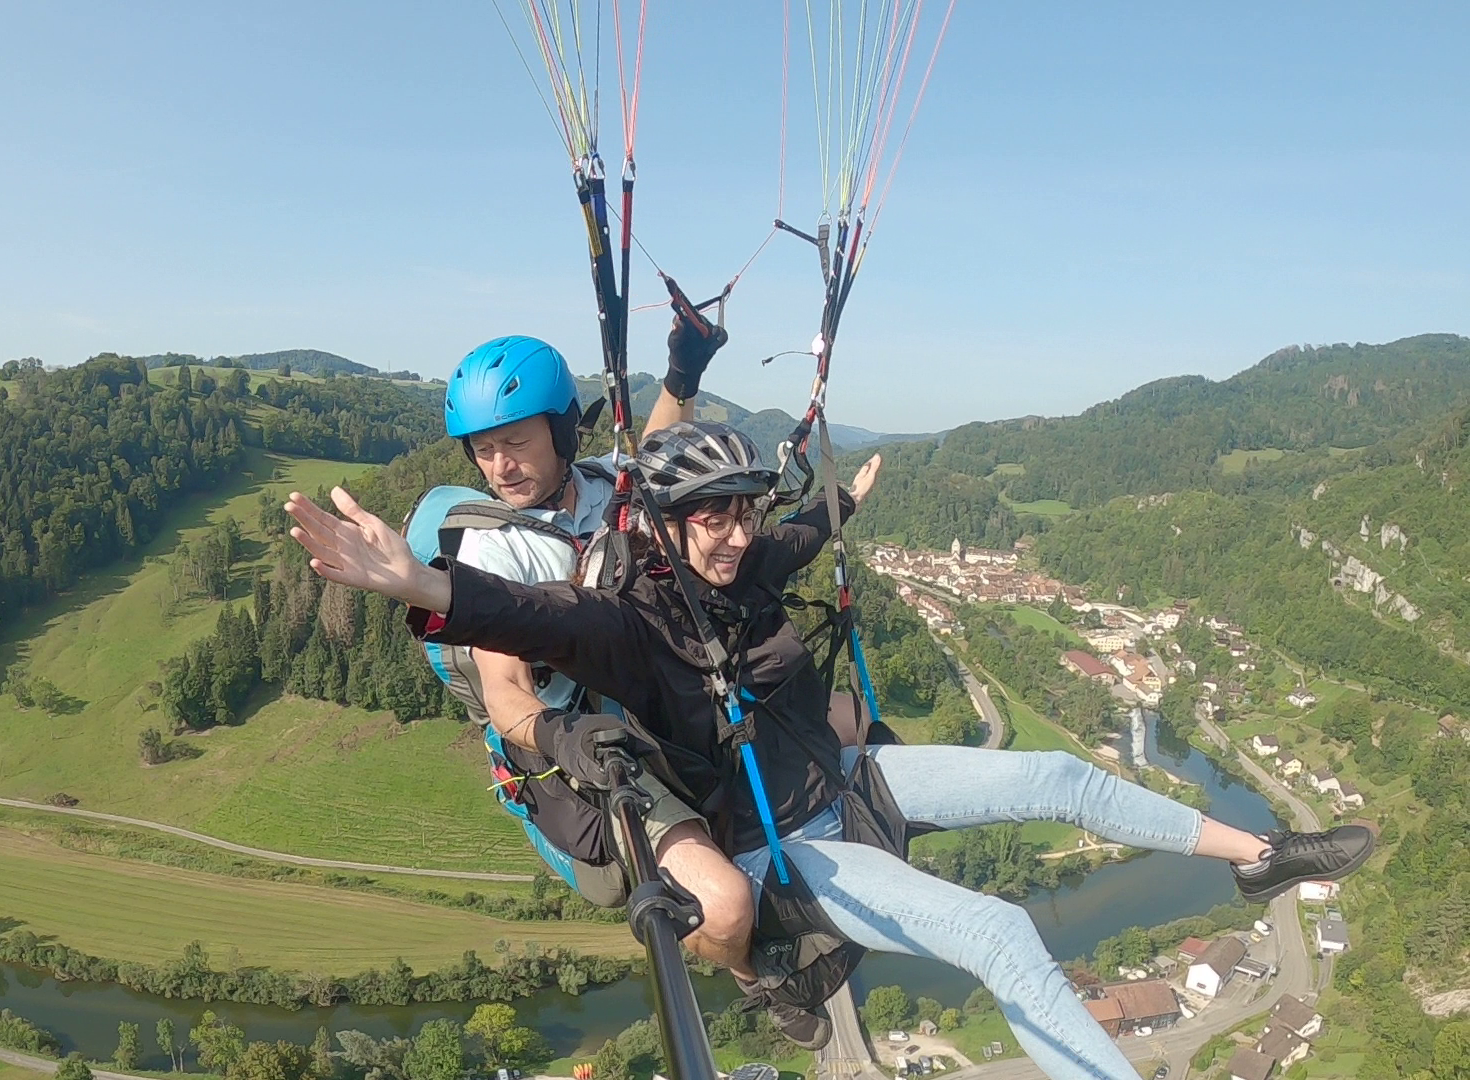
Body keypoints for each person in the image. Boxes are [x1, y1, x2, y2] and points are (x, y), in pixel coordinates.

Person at [282, 420, 1375, 1079]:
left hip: (844, 782)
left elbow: (801, 530)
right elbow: (526, 622)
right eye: (712, 518)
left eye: (744, 513)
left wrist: (842, 498)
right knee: (999, 934)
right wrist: (419, 584)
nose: (738, 534)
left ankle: (1255, 854)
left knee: (1054, 775)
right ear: (663, 524)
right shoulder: (623, 624)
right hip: (784, 848)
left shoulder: (748, 562)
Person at [427, 322, 760, 975]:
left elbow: (656, 444)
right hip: (590, 744)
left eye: (516, 443)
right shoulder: (495, 549)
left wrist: (682, 373)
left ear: (561, 433)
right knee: (724, 907)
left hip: (654, 693)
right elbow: (504, 691)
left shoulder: (606, 484)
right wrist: (558, 739)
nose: (501, 466)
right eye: (485, 450)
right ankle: (758, 979)